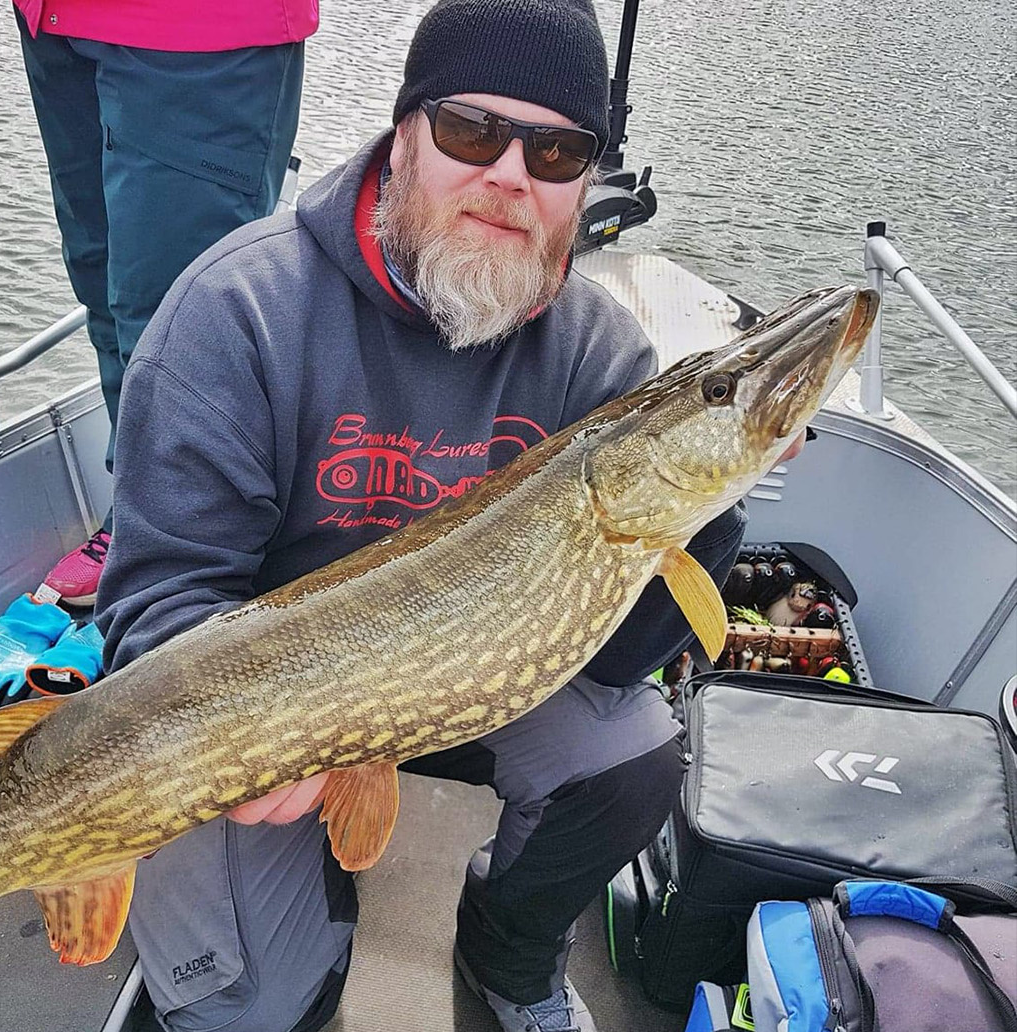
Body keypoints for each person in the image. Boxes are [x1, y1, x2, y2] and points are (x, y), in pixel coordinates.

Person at [96, 1, 779, 1028]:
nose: (511, 174)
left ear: (582, 183)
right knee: (246, 1010)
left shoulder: (599, 354)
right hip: (276, 705)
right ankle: (301, 905)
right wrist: (262, 742)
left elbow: (609, 659)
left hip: (477, 674)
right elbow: (163, 593)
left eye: (555, 150)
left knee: (633, 754)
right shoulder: (238, 310)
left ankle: (509, 952)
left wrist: (709, 504)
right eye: (472, 131)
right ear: (404, 132)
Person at [16, 0, 315, 606]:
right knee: (101, 282)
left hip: (197, 32)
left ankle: (180, 561)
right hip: (55, 21)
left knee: (179, 321)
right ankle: (139, 520)